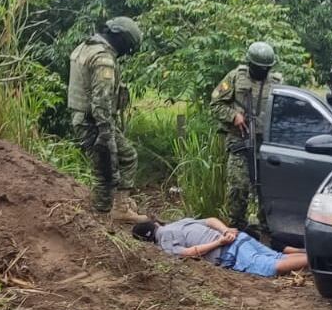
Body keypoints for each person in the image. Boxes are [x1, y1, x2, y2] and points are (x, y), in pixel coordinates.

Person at [67, 16, 144, 219]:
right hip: (94, 122)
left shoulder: (84, 48)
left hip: (82, 118)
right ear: (120, 38)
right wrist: (106, 133)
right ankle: (114, 211)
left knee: (106, 165)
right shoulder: (103, 59)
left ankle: (111, 206)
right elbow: (101, 102)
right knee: (119, 162)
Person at [209, 42, 284, 232]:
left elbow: (285, 112)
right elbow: (215, 104)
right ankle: (236, 228)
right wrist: (234, 116)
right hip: (240, 141)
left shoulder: (276, 82)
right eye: (259, 68)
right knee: (238, 187)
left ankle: (268, 230)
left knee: (267, 189)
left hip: (266, 145)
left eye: (266, 68)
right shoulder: (235, 77)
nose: (262, 71)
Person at [132, 217, 308, 277]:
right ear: (155, 223)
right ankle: (317, 256)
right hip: (238, 238)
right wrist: (225, 230)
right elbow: (210, 220)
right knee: (277, 258)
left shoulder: (164, 242)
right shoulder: (178, 223)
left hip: (229, 250)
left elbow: (189, 253)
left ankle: (318, 260)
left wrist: (219, 242)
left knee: (271, 267)